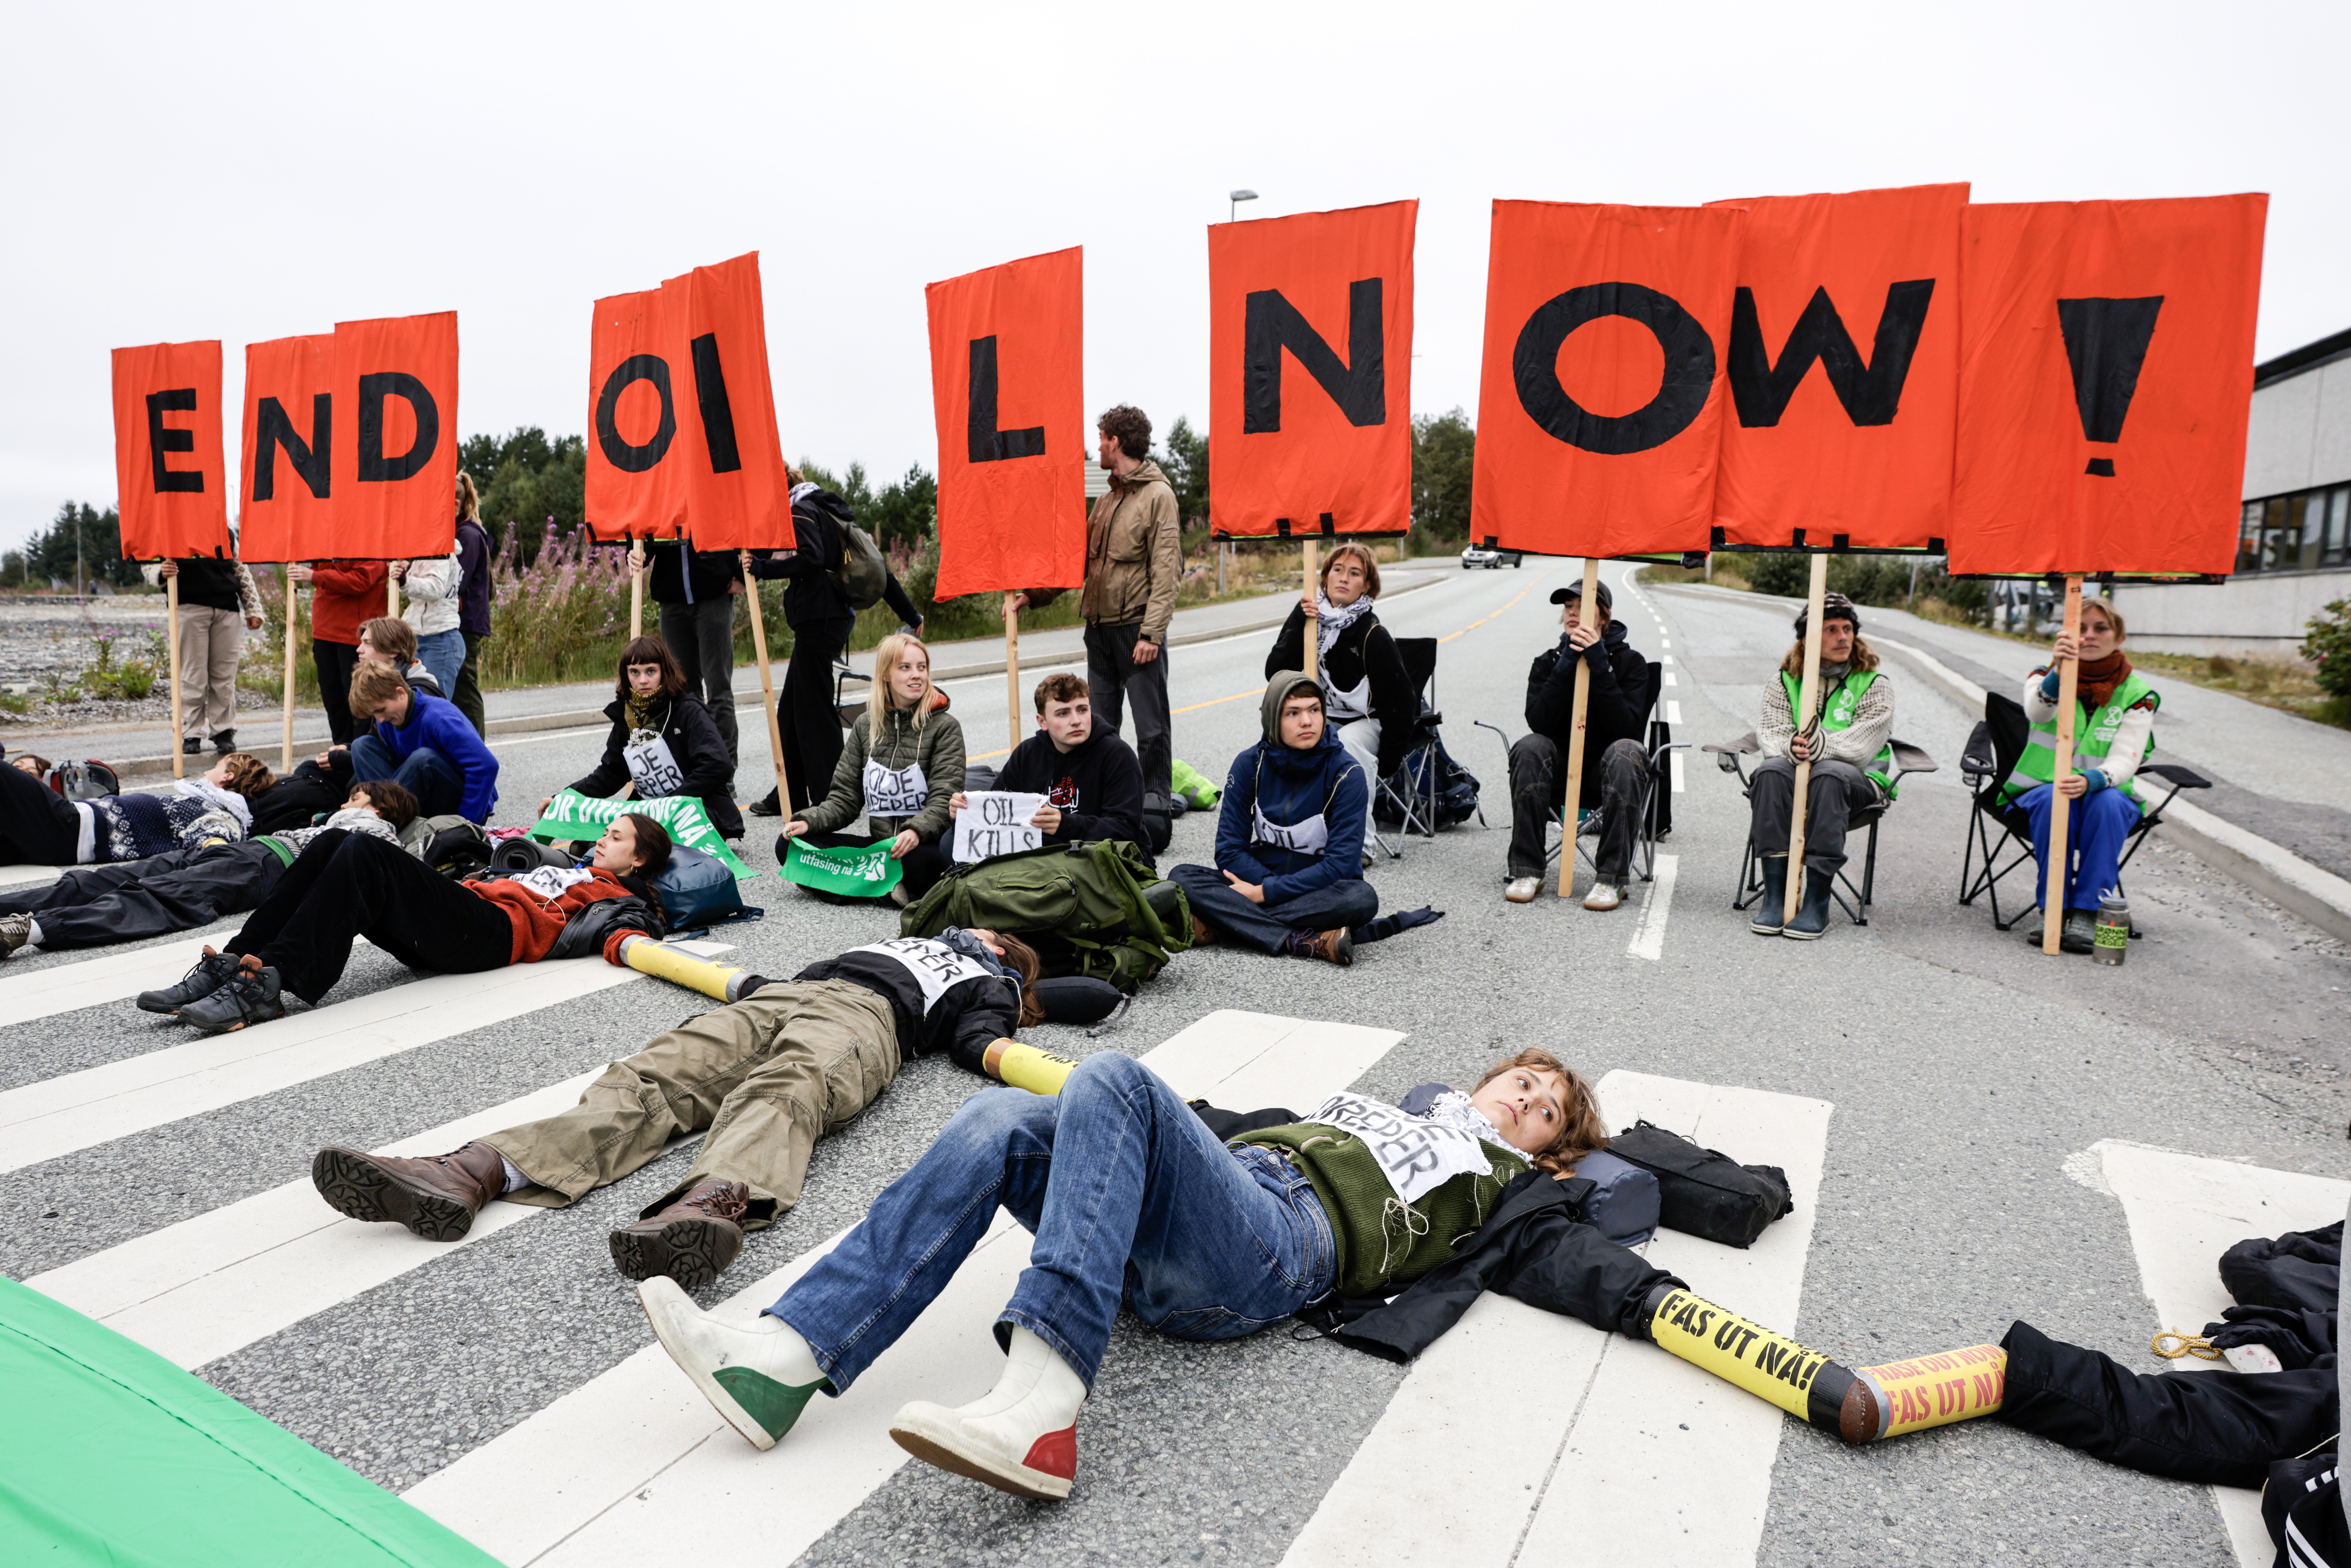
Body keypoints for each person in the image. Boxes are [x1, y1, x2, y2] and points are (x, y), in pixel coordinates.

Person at [634, 1047, 1665, 1503]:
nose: (1524, 1097)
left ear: (1550, 1149)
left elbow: (1579, 1250)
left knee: (1117, 1077)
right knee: (997, 1118)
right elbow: (1224, 1134)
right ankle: (787, 1358)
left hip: (1278, 1249)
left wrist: (1651, 1296)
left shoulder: (1511, 1185)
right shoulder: (1391, 1109)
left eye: (1544, 1107)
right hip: (1221, 1204)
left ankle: (1043, 1405)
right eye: (1521, 1078)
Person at [309, 927, 1044, 1287]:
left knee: (786, 1087)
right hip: (785, 994)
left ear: (1004, 955)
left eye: (989, 937)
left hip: (869, 1019)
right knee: (653, 1075)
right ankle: (474, 1170)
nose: (972, 930)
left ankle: (707, 1206)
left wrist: (1013, 1019)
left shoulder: (990, 981)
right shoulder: (908, 934)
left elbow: (979, 1038)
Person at [142, 812, 672, 1033]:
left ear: (640, 860)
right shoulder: (576, 868)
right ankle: (236, 960)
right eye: (607, 831)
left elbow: (630, 931)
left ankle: (270, 983)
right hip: (464, 913)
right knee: (333, 841)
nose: (604, 839)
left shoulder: (616, 896)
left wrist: (636, 944)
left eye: (617, 837)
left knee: (365, 851)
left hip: (491, 933)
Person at [0, 780, 418, 958]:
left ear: (381, 807)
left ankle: (31, 929)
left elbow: (366, 869)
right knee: (110, 879)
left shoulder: (375, 831)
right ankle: (10, 908)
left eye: (355, 799)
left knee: (162, 897)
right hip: (247, 853)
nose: (345, 803)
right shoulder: (336, 822)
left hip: (269, 863)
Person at [1011, 406, 1181, 829]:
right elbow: (1077, 561)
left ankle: (1155, 806)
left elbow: (1167, 572)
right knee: (1095, 727)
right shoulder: (1106, 501)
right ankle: (1100, 805)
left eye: (1102, 438)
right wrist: (1035, 595)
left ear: (1116, 442)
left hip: (1136, 630)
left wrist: (1152, 634)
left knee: (1151, 727)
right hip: (1099, 631)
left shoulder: (1158, 496)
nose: (1098, 446)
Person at [747, 473, 924, 816]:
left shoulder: (800, 511)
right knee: (792, 711)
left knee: (814, 711)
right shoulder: (827, 512)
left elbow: (810, 558)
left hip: (820, 621)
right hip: (827, 621)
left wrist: (762, 568)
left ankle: (835, 797)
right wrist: (911, 614)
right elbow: (882, 571)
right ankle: (788, 793)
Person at [1169, 673, 1374, 966]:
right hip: (1263, 877)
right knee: (1181, 878)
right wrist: (1266, 887)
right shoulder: (1249, 764)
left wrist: (1263, 894)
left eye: (1315, 710)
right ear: (1272, 719)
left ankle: (1223, 924)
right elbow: (1229, 850)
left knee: (1360, 899)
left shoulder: (1347, 774)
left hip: (1320, 891)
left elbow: (1340, 866)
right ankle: (1301, 940)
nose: (1308, 721)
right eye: (1293, 713)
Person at [2002, 598, 2158, 954]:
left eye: (2100, 628)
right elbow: (2037, 714)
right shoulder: (2043, 675)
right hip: (2039, 791)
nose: (2089, 636)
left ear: (2118, 637)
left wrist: (2094, 780)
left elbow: (2127, 756)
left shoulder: (2138, 694)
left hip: (2106, 792)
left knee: (2108, 803)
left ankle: (2088, 911)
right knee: (2053, 798)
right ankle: (2053, 910)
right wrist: (2059, 671)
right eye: (2080, 629)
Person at [1746, 592, 1896, 941]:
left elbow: (1866, 742)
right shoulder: (1784, 681)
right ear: (1808, 637)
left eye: (1847, 629)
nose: (1843, 637)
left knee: (1829, 774)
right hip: (1793, 780)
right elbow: (1771, 731)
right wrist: (1789, 746)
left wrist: (1822, 747)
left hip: (1858, 785)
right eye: (1831, 629)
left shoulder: (1875, 684)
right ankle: (1775, 897)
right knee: (1770, 772)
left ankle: (1817, 901)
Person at [1503, 579, 1651, 912]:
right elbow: (1539, 721)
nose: (1572, 612)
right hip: (1557, 770)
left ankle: (1610, 878)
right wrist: (1566, 663)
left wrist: (1599, 664)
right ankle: (1527, 871)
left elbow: (1627, 728)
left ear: (1603, 616)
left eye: (1582, 606)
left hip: (1607, 772)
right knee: (1529, 746)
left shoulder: (1631, 663)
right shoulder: (1547, 661)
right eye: (1568, 606)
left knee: (1627, 753)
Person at [783, 632, 964, 903]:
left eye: (922, 667)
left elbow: (942, 801)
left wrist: (915, 831)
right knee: (790, 846)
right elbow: (845, 799)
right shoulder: (866, 725)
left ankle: (840, 884)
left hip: (920, 847)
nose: (917, 675)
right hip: (879, 851)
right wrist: (809, 821)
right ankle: (888, 891)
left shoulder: (946, 727)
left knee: (920, 864)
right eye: (906, 668)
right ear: (886, 675)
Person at [1264, 542, 1415, 845]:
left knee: (1347, 743)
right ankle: (1286, 833)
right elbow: (1275, 674)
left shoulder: (1373, 634)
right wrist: (1298, 622)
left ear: (1367, 586)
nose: (1344, 578)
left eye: (1355, 573)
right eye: (1338, 570)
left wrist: (1389, 760)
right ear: (1325, 578)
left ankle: (1360, 845)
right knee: (1285, 734)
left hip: (1368, 721)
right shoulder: (1309, 619)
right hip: (1325, 717)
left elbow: (1402, 703)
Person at [544, 636, 744, 841]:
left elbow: (718, 766)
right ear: (626, 675)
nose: (643, 681)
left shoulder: (688, 710)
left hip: (695, 809)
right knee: (599, 830)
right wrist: (562, 800)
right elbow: (610, 774)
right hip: (649, 811)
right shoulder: (629, 717)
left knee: (636, 839)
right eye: (635, 672)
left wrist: (668, 803)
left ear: (664, 672)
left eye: (651, 671)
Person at [952, 673, 1147, 859]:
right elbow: (996, 817)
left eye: (1082, 710)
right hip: (1042, 857)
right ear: (1043, 722)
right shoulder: (1027, 753)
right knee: (949, 842)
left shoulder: (1117, 754)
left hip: (1101, 859)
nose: (1076, 721)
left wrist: (1066, 825)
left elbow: (1127, 831)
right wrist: (965, 814)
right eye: (1063, 713)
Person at [0, 749, 272, 868]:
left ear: (227, 777)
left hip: (72, 828)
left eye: (216, 766)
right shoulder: (209, 804)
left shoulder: (224, 815)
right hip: (71, 830)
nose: (206, 771)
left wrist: (216, 846)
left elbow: (217, 846)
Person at [143, 551, 263, 756]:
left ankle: (224, 731)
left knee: (225, 676)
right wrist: (160, 573)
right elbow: (148, 560)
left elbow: (241, 570)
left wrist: (253, 608)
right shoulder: (172, 532)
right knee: (193, 675)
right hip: (189, 605)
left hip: (227, 607)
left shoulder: (227, 535)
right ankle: (191, 733)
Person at [347, 663, 500, 823]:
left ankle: (385, 819)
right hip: (424, 798)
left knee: (424, 760)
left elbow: (486, 766)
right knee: (362, 746)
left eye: (381, 710)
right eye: (374, 714)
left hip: (465, 805)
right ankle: (384, 819)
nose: (380, 719)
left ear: (400, 693)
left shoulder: (438, 716)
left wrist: (465, 823)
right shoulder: (387, 722)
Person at [648, 536, 744, 775]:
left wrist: (744, 575)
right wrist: (635, 551)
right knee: (683, 694)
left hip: (714, 594)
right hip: (672, 599)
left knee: (719, 689)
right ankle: (695, 771)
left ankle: (723, 774)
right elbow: (644, 528)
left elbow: (753, 525)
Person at [295, 557, 389, 746]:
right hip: (324, 629)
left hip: (356, 634)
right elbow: (317, 568)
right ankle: (341, 751)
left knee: (361, 700)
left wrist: (316, 576)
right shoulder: (328, 544)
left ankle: (361, 752)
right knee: (333, 700)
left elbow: (363, 580)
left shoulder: (370, 545)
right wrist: (311, 575)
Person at [451, 472, 494, 737]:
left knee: (466, 690)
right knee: (460, 689)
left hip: (466, 623)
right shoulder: (464, 531)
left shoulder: (466, 535)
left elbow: (459, 582)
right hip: (465, 621)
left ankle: (477, 746)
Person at [393, 544, 465, 698]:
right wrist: (409, 570)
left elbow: (436, 588)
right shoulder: (426, 553)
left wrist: (406, 581)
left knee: (434, 702)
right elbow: (421, 595)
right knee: (414, 701)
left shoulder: (440, 552)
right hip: (420, 636)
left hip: (439, 638)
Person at [356, 616, 444, 697]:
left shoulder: (421, 693)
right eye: (362, 643)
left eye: (368, 643)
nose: (359, 650)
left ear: (393, 651)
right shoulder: (370, 683)